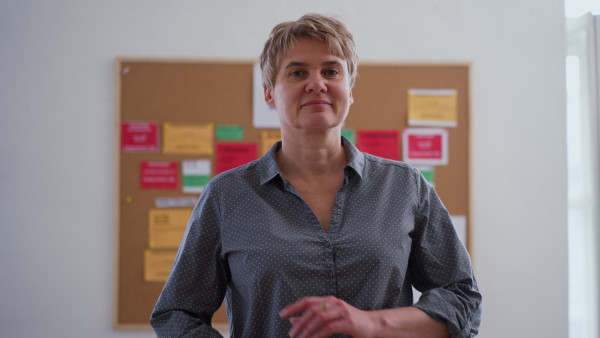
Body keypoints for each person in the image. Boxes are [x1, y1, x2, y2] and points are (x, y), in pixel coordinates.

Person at [150, 13, 482, 338]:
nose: (316, 84)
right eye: (297, 72)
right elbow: (177, 315)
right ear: (269, 92)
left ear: (349, 90)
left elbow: (461, 297)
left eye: (331, 71)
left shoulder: (405, 187)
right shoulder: (227, 195)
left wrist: (373, 324)